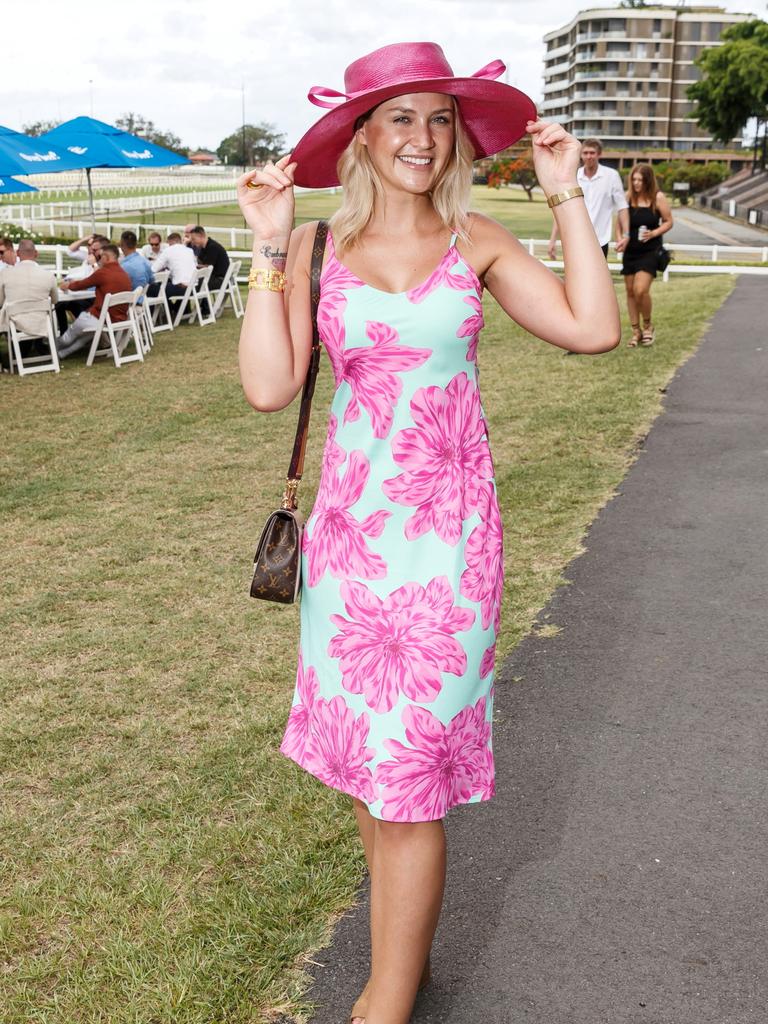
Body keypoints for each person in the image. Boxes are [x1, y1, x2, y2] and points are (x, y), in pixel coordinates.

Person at [237, 41, 620, 1024]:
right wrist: (267, 244)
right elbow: (268, 386)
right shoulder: (319, 248)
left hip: (449, 551)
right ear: (362, 135)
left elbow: (592, 327)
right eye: (400, 117)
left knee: (408, 783)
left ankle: (385, 1003)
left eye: (439, 117)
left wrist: (566, 193)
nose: (422, 136)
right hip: (350, 554)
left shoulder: (477, 241)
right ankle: (397, 967)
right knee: (377, 778)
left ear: (457, 137)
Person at [547, 138, 628, 260]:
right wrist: (553, 239)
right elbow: (563, 208)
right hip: (575, 240)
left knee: (598, 278)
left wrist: (626, 234)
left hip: (600, 240)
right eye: (585, 153)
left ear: (599, 154)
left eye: (592, 153)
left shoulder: (611, 176)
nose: (589, 156)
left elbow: (622, 207)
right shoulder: (573, 176)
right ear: (580, 155)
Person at [620, 163, 673, 347]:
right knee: (629, 292)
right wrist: (620, 239)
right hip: (631, 251)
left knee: (640, 290)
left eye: (640, 180)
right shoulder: (627, 198)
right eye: (634, 179)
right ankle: (636, 332)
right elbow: (619, 221)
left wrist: (654, 233)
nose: (636, 183)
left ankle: (648, 326)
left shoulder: (657, 198)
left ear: (648, 181)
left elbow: (668, 221)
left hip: (650, 251)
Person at [57, 244, 133, 358]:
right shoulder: (125, 275)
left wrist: (67, 285)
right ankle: (61, 354)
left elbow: (81, 284)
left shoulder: (103, 272)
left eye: (101, 256)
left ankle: (51, 350)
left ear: (106, 257)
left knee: (67, 338)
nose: (99, 258)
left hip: (99, 318)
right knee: (83, 338)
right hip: (117, 318)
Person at [0, 239, 58, 348]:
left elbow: (0, 301)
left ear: (17, 253)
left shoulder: (5, 274)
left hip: (15, 324)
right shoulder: (48, 275)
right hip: (41, 324)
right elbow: (55, 300)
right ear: (36, 253)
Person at [56, 234, 109, 334]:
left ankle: (87, 330)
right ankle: (65, 333)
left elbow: (99, 278)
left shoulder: (102, 263)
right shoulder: (88, 258)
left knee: (69, 305)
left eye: (94, 249)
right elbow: (70, 251)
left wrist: (94, 264)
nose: (90, 250)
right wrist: (85, 239)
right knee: (60, 304)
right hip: (82, 292)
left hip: (93, 296)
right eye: (89, 247)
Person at [147, 232, 197, 299]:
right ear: (180, 241)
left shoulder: (168, 250)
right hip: (194, 288)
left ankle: (167, 309)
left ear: (170, 242)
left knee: (151, 288)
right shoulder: (190, 250)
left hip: (182, 288)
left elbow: (153, 269)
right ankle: (175, 309)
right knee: (167, 285)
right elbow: (195, 265)